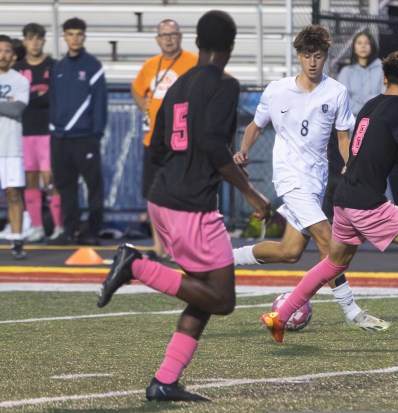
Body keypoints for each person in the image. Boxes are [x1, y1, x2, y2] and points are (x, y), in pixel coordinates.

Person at [96, 10, 270, 402]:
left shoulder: (176, 86)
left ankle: (165, 380)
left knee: (203, 293)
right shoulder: (225, 85)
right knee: (222, 298)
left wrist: (155, 195)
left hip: (166, 198)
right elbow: (212, 144)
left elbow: (156, 145)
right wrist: (251, 193)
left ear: (197, 43)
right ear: (231, 46)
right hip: (192, 206)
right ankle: (136, 265)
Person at [260, 49, 398, 344]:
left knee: (334, 263)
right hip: (367, 204)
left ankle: (280, 317)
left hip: (343, 199)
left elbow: (377, 147)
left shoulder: (371, 105)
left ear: (384, 79)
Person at [232, 24, 391, 332]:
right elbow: (255, 125)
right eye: (306, 56)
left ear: (326, 57)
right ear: (299, 57)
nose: (312, 62)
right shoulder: (277, 90)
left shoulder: (336, 92)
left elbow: (343, 137)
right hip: (289, 179)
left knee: (289, 252)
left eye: (318, 56)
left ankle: (225, 257)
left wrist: (350, 165)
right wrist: (243, 150)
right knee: (328, 241)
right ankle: (352, 311)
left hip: (314, 182)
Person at [131, 19, 197, 260]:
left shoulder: (193, 61)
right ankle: (159, 246)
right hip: (153, 141)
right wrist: (145, 109)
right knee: (153, 195)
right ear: (157, 39)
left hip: (181, 142)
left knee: (180, 193)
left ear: (180, 37)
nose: (169, 39)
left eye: (173, 34)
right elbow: (137, 90)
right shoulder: (150, 65)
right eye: (164, 35)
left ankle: (181, 245)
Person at [48, 17, 107, 246]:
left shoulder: (93, 66)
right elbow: (53, 101)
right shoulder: (59, 67)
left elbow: (100, 104)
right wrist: (54, 129)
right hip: (60, 138)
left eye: (79, 34)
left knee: (93, 186)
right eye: (70, 34)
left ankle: (93, 230)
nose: (75, 38)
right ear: (64, 36)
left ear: (84, 36)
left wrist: (96, 134)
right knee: (65, 187)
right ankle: (69, 229)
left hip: (85, 138)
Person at [324, 30, 386, 220]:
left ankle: (383, 213)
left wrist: (358, 100)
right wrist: (366, 101)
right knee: (352, 170)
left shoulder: (382, 68)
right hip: (352, 128)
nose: (363, 46)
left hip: (374, 127)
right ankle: (354, 215)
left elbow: (382, 97)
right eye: (359, 43)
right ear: (354, 47)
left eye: (366, 43)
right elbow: (343, 100)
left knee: (378, 171)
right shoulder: (346, 71)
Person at [13, 23, 63, 243]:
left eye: (38, 38)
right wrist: (38, 96)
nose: (34, 43)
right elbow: (14, 102)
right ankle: (37, 226)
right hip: (24, 132)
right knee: (31, 181)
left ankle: (59, 227)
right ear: (24, 41)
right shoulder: (17, 68)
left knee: (51, 182)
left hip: (47, 132)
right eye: (30, 38)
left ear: (44, 41)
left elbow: (55, 98)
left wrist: (31, 98)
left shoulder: (54, 66)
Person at [0, 35, 29, 260]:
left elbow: (16, 110)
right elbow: (8, 107)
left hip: (10, 147)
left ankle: (17, 239)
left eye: (8, 51)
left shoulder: (20, 80)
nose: (3, 55)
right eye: (0, 50)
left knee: (13, 193)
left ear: (14, 55)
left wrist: (8, 106)